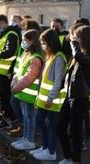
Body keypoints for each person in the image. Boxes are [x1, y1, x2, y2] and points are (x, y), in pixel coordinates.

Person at [57, 25, 90, 164]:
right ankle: (68, 156)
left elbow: (79, 56)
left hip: (80, 97)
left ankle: (75, 160)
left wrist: (74, 42)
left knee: (75, 132)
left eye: (77, 37)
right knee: (60, 127)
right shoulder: (79, 54)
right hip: (70, 95)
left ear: (84, 39)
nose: (73, 39)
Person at [31, 29, 67, 161]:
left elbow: (57, 81)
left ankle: (51, 151)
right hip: (44, 99)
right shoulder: (50, 57)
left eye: (44, 43)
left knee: (52, 126)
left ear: (51, 42)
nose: (42, 45)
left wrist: (50, 98)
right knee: (40, 121)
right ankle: (44, 146)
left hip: (52, 101)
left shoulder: (58, 58)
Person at [10, 30, 43, 151]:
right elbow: (19, 71)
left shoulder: (36, 57)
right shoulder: (26, 53)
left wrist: (16, 87)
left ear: (32, 41)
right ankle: (25, 138)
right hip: (22, 91)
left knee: (29, 116)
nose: (23, 43)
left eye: (25, 40)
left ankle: (29, 140)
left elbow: (29, 77)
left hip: (29, 92)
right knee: (25, 115)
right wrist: (14, 81)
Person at [0, 14, 21, 129]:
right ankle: (5, 117)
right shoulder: (5, 34)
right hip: (2, 71)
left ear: (3, 22)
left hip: (7, 72)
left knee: (6, 97)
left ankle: (9, 119)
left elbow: (10, 52)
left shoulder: (11, 35)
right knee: (2, 97)